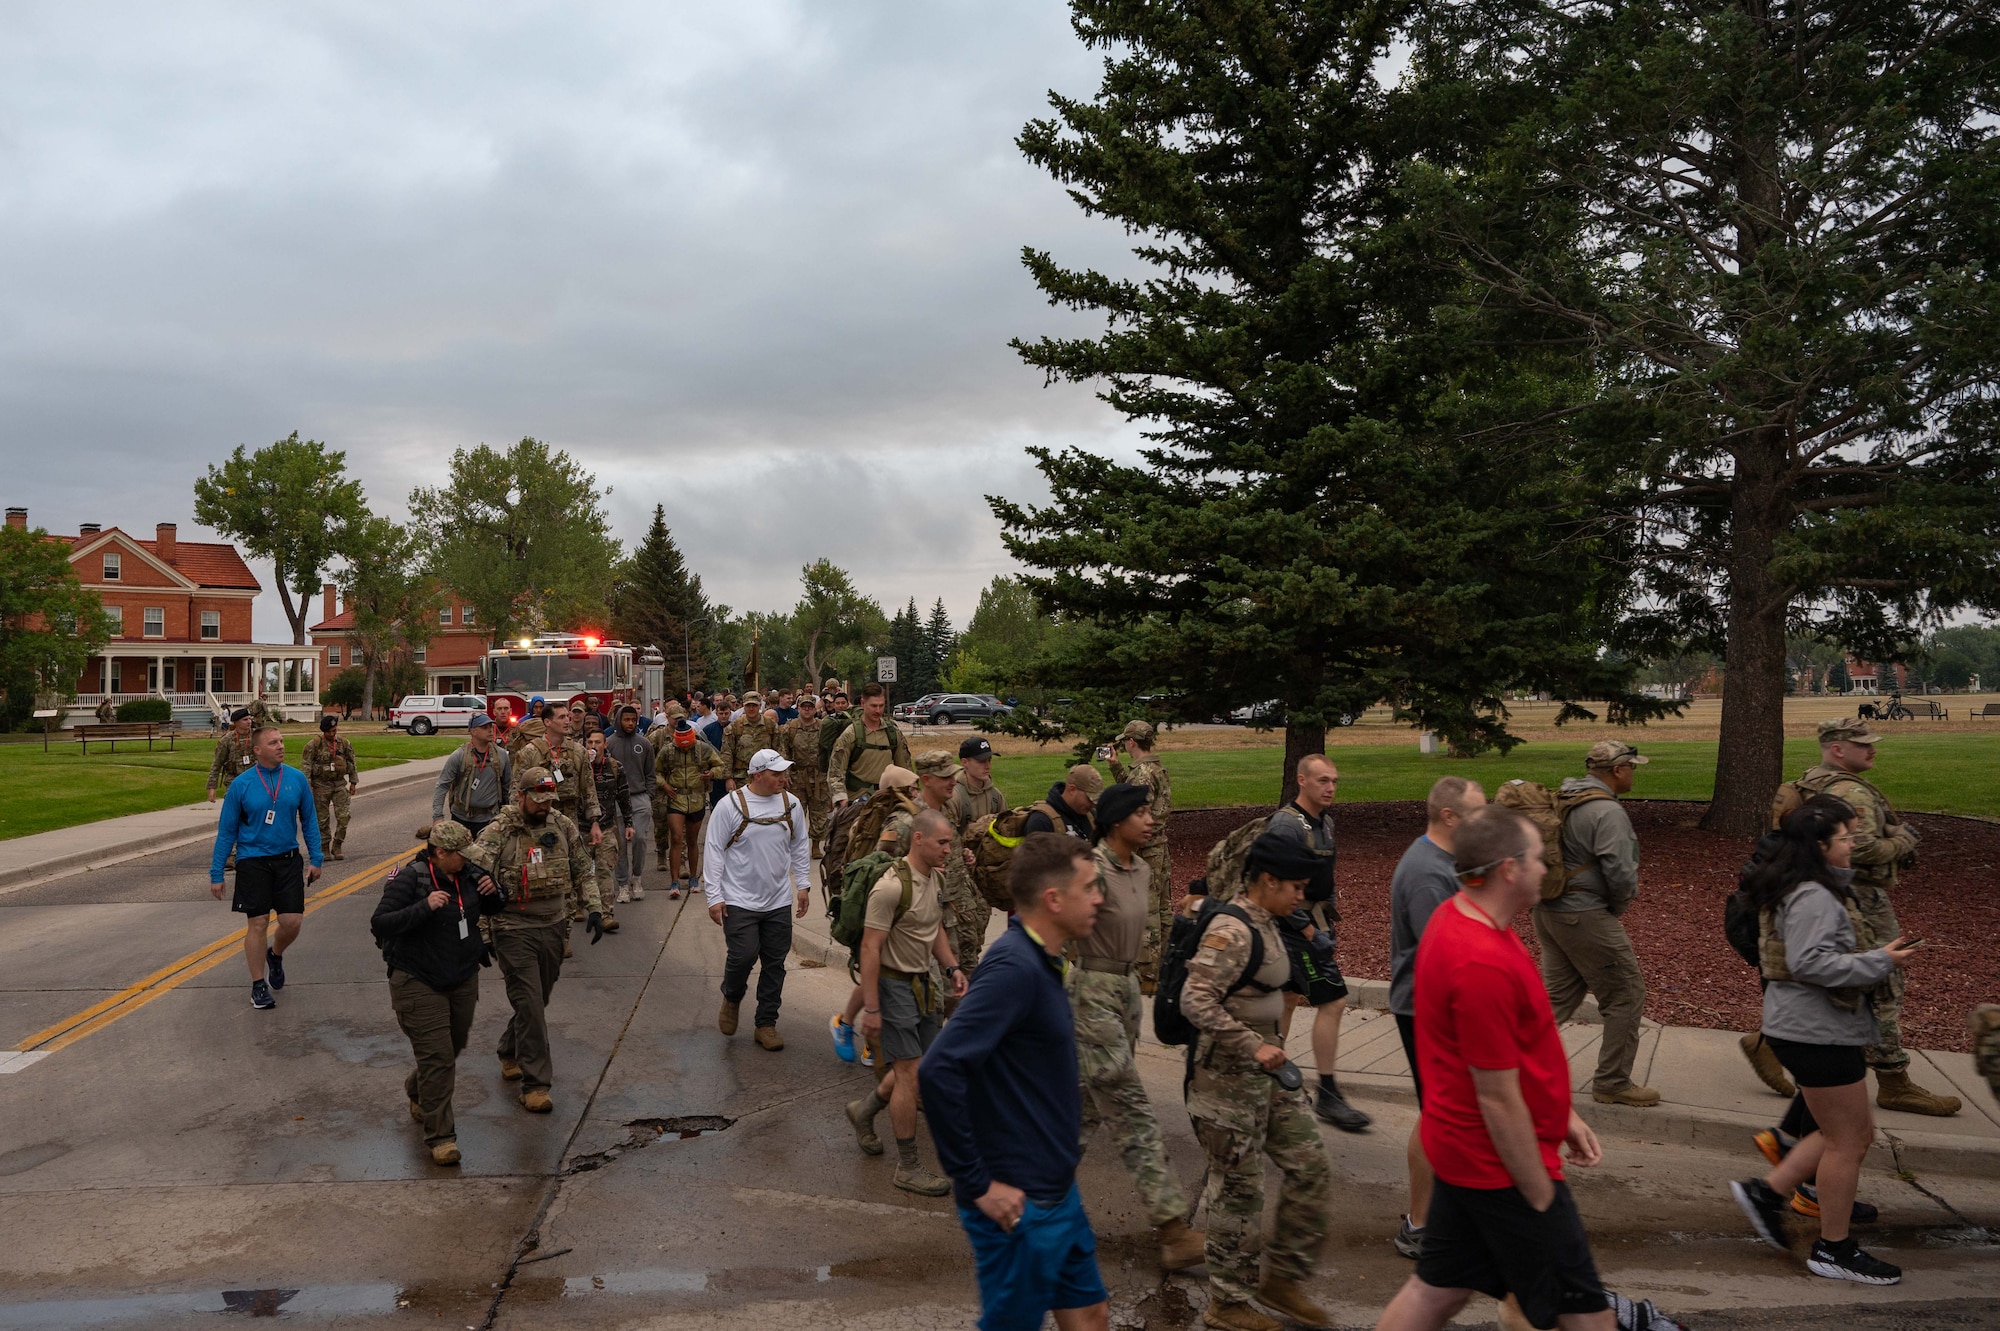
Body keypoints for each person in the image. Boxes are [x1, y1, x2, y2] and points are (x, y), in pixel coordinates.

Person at [1374, 804, 1614, 1331]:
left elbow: (1510, 1057)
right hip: (1501, 1169)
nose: (1546, 868)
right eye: (1537, 858)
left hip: (1467, 1154)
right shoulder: (1479, 959)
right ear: (1509, 867)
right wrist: (1540, 1198)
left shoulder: (1460, 915)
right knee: (1588, 1316)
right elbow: (1496, 1096)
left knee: (1435, 1293)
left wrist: (1561, 1114)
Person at [920, 833, 1112, 1331]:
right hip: (1018, 1204)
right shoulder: (1013, 968)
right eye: (1089, 887)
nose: (1099, 898)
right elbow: (939, 1069)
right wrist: (979, 1184)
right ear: (1053, 899)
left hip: (1057, 1190)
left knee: (1091, 1316)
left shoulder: (1044, 960)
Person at [1728, 797, 1918, 1284]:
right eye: (1846, 838)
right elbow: (1812, 963)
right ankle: (1834, 1249)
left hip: (1811, 1029)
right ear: (1819, 845)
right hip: (1816, 1033)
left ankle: (1767, 1193)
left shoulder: (1810, 887)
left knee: (1841, 1134)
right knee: (1849, 1141)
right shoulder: (1814, 895)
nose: (1853, 844)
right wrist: (1881, 961)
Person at [1744, 719, 1957, 1117]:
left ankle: (1773, 1044)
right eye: (1863, 745)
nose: (1872, 749)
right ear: (1837, 749)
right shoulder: (1848, 791)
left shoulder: (1813, 781)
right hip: (1858, 898)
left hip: (1834, 890)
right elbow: (1860, 850)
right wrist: (1905, 839)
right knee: (1879, 981)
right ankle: (1894, 1081)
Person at [1182, 831, 1336, 1331]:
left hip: (1267, 1074)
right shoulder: (1231, 930)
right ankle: (1227, 1303)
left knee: (1310, 1164)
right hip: (1225, 1081)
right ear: (1267, 880)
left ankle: (1283, 1280)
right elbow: (1195, 1000)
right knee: (1239, 1189)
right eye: (1295, 886)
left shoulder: (1270, 919)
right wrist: (1253, 1043)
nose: (1301, 896)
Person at [1077, 783, 1205, 1271]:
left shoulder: (1144, 868)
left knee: (1083, 1110)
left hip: (1127, 993)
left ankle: (1033, 1205)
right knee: (1131, 1109)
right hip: (1091, 993)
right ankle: (1174, 1228)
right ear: (1114, 822)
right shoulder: (1092, 870)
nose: (1150, 819)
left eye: (1151, 811)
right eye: (1140, 812)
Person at [1386, 776, 1487, 1261]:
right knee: (1438, 1115)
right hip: (1425, 1009)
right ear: (1449, 816)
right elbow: (1441, 956)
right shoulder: (1428, 872)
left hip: (1432, 1006)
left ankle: (1442, 1215)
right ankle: (1420, 1225)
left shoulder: (1445, 862)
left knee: (1444, 1114)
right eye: (1476, 813)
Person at [844, 808, 968, 1195]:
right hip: (894, 987)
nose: (948, 849)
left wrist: (951, 968)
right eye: (942, 842)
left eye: (949, 842)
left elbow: (932, 931)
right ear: (918, 839)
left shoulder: (933, 879)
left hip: (923, 985)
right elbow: (870, 946)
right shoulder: (890, 887)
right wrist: (873, 1007)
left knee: (922, 1070)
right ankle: (908, 1166)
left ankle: (864, 1111)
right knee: (911, 1075)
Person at [466, 768, 604, 1112]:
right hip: (513, 928)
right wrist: (480, 934)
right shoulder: (500, 831)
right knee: (529, 1002)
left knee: (536, 1001)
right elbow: (474, 879)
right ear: (521, 796)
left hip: (554, 925)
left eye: (549, 800)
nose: (544, 806)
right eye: (538, 800)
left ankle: (508, 1049)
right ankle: (536, 1084)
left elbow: (582, 867)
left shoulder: (561, 825)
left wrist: (595, 908)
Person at [1530, 741, 1659, 1107]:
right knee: (1626, 994)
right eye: (1632, 766)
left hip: (1548, 911)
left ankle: (1501, 1065)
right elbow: (1620, 872)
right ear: (1618, 770)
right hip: (1583, 915)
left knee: (1556, 999)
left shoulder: (1563, 798)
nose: (1635, 772)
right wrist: (1615, 908)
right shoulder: (1607, 811)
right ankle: (1613, 1082)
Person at [372, 819, 502, 1166]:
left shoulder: (469, 872)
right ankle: (441, 1137)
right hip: (417, 979)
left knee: (452, 1048)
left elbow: (490, 908)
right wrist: (423, 907)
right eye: (461, 855)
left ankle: (418, 1089)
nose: (467, 860)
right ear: (441, 853)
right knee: (439, 1059)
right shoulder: (410, 878)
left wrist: (494, 891)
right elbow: (380, 922)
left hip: (461, 975)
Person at [1260, 754, 1369, 1132]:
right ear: (1301, 780)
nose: (1331, 788)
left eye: (1335, 781)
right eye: (1323, 780)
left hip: (1314, 927)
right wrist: (1308, 931)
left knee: (1288, 999)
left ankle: (1271, 1077)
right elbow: (1270, 883)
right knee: (1334, 999)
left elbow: (1324, 881)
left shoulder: (1327, 823)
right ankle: (1328, 1093)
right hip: (1290, 930)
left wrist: (1329, 926)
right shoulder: (1286, 825)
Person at [703, 748, 812, 1050]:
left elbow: (800, 846)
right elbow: (713, 850)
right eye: (776, 774)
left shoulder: (792, 805)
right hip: (738, 899)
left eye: (784, 773)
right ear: (757, 775)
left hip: (778, 900)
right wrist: (714, 896)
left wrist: (803, 885)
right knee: (742, 955)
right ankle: (732, 996)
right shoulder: (730, 806)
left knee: (775, 964)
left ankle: (766, 1024)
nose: (783, 778)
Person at [208, 724, 323, 1010]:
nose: (281, 746)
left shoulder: (296, 780)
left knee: (292, 921)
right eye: (273, 743)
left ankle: (276, 953)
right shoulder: (242, 785)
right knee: (258, 923)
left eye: (282, 741)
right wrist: (217, 872)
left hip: (287, 860)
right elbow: (226, 831)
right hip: (253, 861)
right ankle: (258, 985)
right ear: (257, 750)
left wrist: (316, 858)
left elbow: (309, 820)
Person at [1107, 720, 1172, 985]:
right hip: (1159, 846)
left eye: (1125, 741)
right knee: (1164, 909)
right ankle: (1166, 964)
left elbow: (1139, 813)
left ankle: (1148, 972)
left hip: (1146, 850)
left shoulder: (1142, 773)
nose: (1124, 745)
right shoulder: (1153, 768)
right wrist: (1116, 768)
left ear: (1131, 742)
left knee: (1148, 911)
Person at [946, 735, 1007, 971]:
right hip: (959, 879)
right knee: (961, 941)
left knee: (975, 939)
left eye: (989, 760)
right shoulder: (955, 796)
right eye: (981, 760)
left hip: (983, 879)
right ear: (964, 762)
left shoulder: (995, 796)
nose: (987, 765)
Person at [518, 704, 603, 851]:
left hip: (570, 820)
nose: (567, 721)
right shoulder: (530, 752)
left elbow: (588, 788)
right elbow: (517, 789)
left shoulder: (578, 751)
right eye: (561, 717)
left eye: (567, 717)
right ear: (547, 722)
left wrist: (595, 822)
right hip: (539, 820)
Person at [656, 719, 724, 897]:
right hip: (676, 798)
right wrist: (664, 785)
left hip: (696, 799)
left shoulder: (703, 748)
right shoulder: (667, 751)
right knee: (677, 838)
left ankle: (694, 877)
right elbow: (655, 772)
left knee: (693, 840)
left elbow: (720, 765)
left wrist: (711, 774)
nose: (685, 747)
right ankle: (675, 882)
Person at [433, 712, 515, 840]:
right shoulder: (459, 756)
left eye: (490, 727)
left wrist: (508, 814)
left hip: (491, 819)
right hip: (461, 819)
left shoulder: (501, 755)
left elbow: (507, 786)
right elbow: (442, 786)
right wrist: (438, 817)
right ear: (473, 731)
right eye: (484, 727)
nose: (489, 730)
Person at [604, 705, 656, 903]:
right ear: (619, 720)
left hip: (639, 797)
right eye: (626, 720)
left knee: (640, 839)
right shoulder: (609, 744)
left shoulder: (644, 744)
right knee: (621, 845)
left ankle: (637, 878)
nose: (630, 723)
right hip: (617, 801)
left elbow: (651, 772)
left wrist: (649, 795)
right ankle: (623, 884)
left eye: (633, 720)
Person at [583, 729, 633, 934]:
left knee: (604, 870)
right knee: (582, 872)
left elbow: (623, 797)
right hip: (580, 827)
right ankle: (579, 907)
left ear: (605, 745)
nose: (593, 746)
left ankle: (606, 914)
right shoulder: (578, 766)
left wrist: (629, 823)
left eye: (598, 742)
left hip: (607, 827)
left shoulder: (615, 767)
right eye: (590, 742)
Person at [828, 682, 912, 802]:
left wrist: (907, 797)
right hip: (857, 802)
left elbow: (905, 770)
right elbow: (835, 773)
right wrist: (841, 799)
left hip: (886, 800)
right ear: (863, 703)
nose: (878, 710)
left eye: (881, 706)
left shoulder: (893, 733)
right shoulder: (850, 734)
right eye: (873, 706)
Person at [778, 695, 831, 858]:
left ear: (815, 709)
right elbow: (783, 751)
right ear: (798, 708)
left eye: (810, 707)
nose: (807, 710)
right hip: (796, 776)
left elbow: (831, 752)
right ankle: (795, 846)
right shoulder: (789, 728)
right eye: (804, 707)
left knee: (819, 813)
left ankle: (816, 845)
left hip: (819, 777)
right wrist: (785, 774)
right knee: (795, 813)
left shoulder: (824, 728)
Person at [300, 715, 359, 862]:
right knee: (322, 819)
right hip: (321, 785)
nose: (333, 734)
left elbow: (352, 762)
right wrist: (308, 785)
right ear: (324, 731)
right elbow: (306, 765)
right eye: (330, 731)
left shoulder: (344, 743)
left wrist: (353, 782)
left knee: (344, 816)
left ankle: (337, 844)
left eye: (335, 730)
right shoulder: (313, 745)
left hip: (339, 784)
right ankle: (324, 846)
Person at [721, 692, 783, 791]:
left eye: (754, 705)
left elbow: (779, 750)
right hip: (741, 777)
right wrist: (728, 778)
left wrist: (780, 774)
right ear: (743, 706)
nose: (751, 709)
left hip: (766, 776)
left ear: (759, 706)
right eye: (748, 705)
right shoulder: (734, 727)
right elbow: (726, 753)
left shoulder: (770, 725)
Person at [1024, 765, 1101, 840]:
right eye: (1089, 799)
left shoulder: (1092, 816)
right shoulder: (1041, 822)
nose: (1093, 805)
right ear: (1072, 790)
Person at [206, 708, 256, 802]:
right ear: (236, 723)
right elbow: (217, 764)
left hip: (255, 779)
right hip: (234, 779)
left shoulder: (257, 736)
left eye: (250, 719)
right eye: (245, 720)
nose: (249, 722)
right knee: (233, 806)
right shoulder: (226, 740)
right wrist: (212, 788)